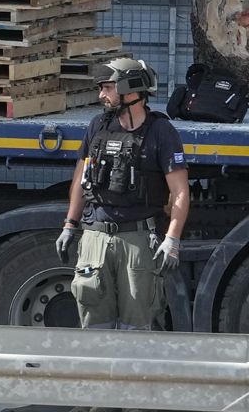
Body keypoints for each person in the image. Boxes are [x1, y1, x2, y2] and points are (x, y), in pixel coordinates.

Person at [56, 58, 189, 331]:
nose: (101, 95)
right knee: (94, 326)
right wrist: (70, 224)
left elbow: (179, 190)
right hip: (95, 238)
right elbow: (82, 180)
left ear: (129, 89)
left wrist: (172, 239)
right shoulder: (97, 127)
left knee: (137, 327)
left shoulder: (161, 132)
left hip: (138, 241)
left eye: (107, 87)